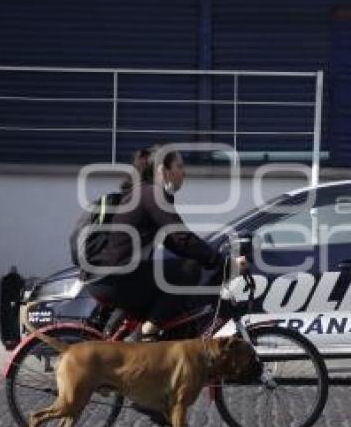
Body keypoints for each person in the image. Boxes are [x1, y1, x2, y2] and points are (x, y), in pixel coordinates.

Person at [85, 145, 245, 340]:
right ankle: (144, 334)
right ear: (163, 169)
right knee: (188, 269)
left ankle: (133, 332)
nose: (184, 172)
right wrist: (223, 261)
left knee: (172, 273)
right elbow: (182, 238)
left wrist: (212, 257)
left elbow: (174, 241)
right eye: (179, 166)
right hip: (113, 279)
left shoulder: (142, 193)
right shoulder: (152, 194)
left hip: (107, 278)